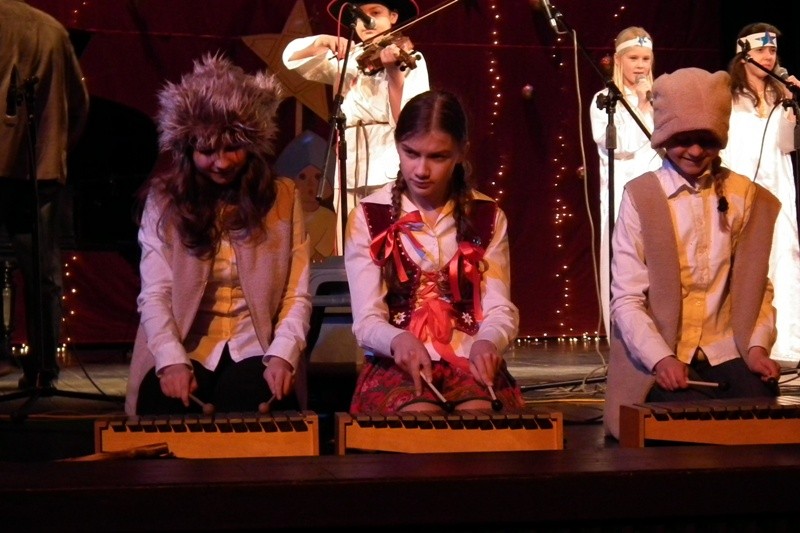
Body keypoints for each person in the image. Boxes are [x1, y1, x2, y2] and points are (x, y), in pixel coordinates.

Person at [124, 54, 312, 416]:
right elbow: (155, 293)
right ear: (187, 149)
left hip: (257, 348)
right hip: (185, 346)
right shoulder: (163, 201)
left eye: (233, 148)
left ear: (252, 144)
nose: (222, 162)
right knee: (165, 406)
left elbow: (296, 295)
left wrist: (283, 355)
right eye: (208, 151)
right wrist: (170, 359)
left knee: (252, 405)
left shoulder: (284, 197)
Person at [604, 67, 784, 440]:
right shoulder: (642, 197)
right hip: (659, 352)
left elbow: (757, 290)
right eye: (684, 140)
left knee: (758, 414)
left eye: (707, 140)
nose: (696, 151)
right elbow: (626, 299)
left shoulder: (745, 197)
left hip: (725, 349)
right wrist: (661, 358)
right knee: (681, 423)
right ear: (664, 138)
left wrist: (756, 347)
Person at [343, 89, 524, 414]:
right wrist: (397, 340)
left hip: (467, 357)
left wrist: (488, 341)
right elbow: (366, 318)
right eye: (411, 153)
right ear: (397, 145)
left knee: (480, 411)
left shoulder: (486, 215)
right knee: (420, 414)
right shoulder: (370, 216)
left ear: (461, 152)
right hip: (397, 361)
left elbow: (499, 307)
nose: (421, 170)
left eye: (437, 157)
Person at [282, 1, 430, 251]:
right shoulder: (348, 59)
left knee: (390, 244)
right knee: (350, 244)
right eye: (361, 16)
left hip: (388, 164)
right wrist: (324, 40)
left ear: (393, 17)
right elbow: (290, 58)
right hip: (348, 165)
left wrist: (394, 73)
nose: (367, 22)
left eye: (375, 14)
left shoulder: (411, 59)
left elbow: (408, 124)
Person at [0, 0, 90, 383]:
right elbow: (79, 104)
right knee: (44, 272)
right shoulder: (52, 29)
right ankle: (43, 368)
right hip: (40, 169)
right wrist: (55, 148)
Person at [720, 23, 800, 365]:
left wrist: (791, 108)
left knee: (784, 256)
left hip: (777, 187)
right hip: (740, 187)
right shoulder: (728, 94)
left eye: (773, 51)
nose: (768, 57)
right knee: (743, 264)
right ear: (744, 54)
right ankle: (742, 340)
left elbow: (786, 145)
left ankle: (786, 343)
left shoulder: (780, 94)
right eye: (761, 50)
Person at [589, 26, 662, 339]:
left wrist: (651, 103)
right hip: (622, 198)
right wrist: (643, 106)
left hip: (658, 196)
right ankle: (622, 337)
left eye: (646, 58)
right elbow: (624, 144)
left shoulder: (660, 100)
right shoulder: (605, 101)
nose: (641, 65)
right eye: (634, 58)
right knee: (625, 271)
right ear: (619, 60)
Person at [275, 129, 337, 262]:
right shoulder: (287, 215)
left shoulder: (329, 218)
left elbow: (323, 252)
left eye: (317, 177)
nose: (310, 184)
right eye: (302, 177)